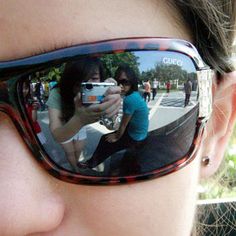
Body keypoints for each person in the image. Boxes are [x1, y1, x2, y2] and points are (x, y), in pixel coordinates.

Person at [0, 1, 235, 236]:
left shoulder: (127, 99)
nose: (9, 215)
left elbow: (118, 127)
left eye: (94, 81)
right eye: (80, 80)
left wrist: (107, 118)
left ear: (216, 128)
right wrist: (82, 120)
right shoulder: (56, 95)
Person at [77, 65, 149, 170]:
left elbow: (123, 124)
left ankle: (91, 164)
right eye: (118, 82)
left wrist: (116, 137)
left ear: (132, 81)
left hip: (135, 137)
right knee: (107, 139)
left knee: (106, 141)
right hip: (139, 132)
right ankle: (92, 163)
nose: (121, 86)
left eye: (125, 82)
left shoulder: (130, 99)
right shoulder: (134, 94)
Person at [46, 58, 109, 171]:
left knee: (78, 149)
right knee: (70, 152)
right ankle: (75, 170)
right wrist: (79, 119)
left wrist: (112, 95)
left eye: (94, 78)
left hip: (81, 125)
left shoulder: (101, 91)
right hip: (63, 126)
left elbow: (110, 123)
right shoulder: (57, 93)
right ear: (71, 79)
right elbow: (56, 133)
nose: (88, 84)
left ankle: (76, 165)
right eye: (81, 79)